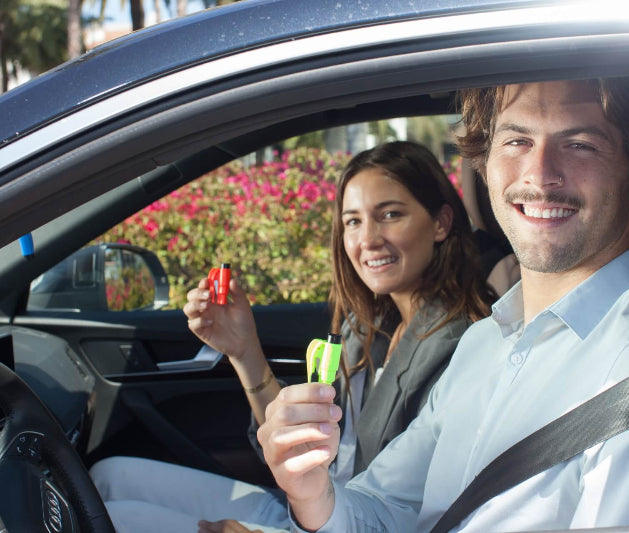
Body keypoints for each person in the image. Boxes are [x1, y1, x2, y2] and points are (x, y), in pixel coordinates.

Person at [256, 77, 629, 532]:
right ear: (484, 164)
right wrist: (313, 494)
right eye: (517, 140)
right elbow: (383, 507)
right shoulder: (485, 340)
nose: (539, 174)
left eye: (579, 145)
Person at [89, 141, 496, 533]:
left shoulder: (459, 348)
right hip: (311, 504)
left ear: (441, 223)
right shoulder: (369, 323)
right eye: (353, 220)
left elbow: (419, 513)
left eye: (389, 215)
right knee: (108, 476)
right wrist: (244, 350)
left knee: (117, 519)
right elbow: (299, 447)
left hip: (347, 520)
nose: (367, 239)